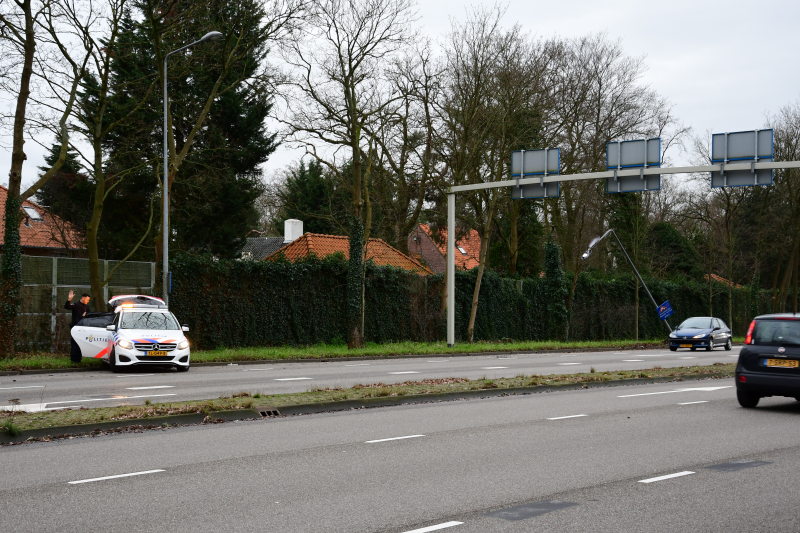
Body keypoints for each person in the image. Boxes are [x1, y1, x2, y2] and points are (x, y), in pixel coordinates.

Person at [65, 291, 91, 363]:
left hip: (83, 327)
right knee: (74, 343)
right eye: (87, 299)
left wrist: (87, 315)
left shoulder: (87, 307)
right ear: (83, 298)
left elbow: (89, 316)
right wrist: (69, 300)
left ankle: (79, 359)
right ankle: (73, 359)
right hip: (75, 327)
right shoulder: (76, 305)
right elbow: (67, 307)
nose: (88, 301)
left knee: (81, 343)